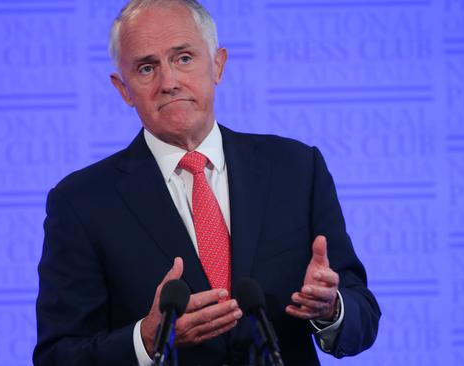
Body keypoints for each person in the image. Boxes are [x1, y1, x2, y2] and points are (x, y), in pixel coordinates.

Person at [33, 0, 381, 365]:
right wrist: (146, 339)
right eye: (147, 67)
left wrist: (330, 308)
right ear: (124, 89)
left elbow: (363, 315)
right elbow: (58, 356)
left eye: (184, 58)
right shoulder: (82, 202)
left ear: (218, 64)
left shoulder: (296, 169)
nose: (168, 82)